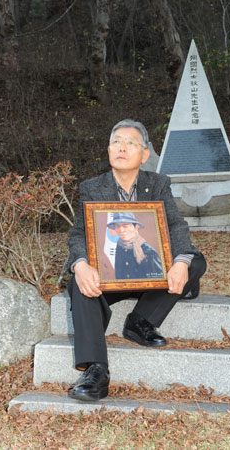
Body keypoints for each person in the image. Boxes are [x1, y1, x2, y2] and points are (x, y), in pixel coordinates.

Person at [67, 119, 206, 402]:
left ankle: (140, 322)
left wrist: (179, 262)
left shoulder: (157, 184)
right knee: (77, 284)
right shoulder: (92, 187)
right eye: (116, 141)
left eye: (131, 143)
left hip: (148, 273)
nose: (122, 147)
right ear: (108, 150)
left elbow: (176, 226)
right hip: (109, 273)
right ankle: (96, 370)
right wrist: (80, 265)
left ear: (144, 155)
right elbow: (79, 232)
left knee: (195, 261)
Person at [107, 212, 163, 279]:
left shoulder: (149, 251)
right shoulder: (120, 246)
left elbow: (158, 280)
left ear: (136, 227)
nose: (121, 230)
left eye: (125, 226)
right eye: (118, 226)